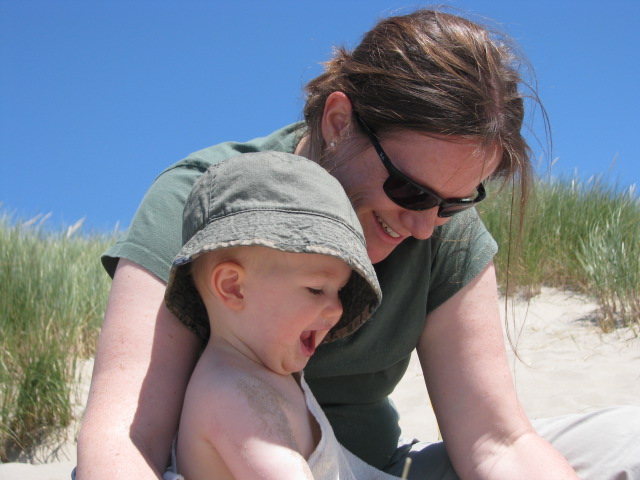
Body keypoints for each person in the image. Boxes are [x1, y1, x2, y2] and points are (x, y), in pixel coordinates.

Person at [76, 7, 640, 480]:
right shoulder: (208, 201)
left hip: (379, 468)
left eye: (456, 202)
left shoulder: (441, 229)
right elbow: (126, 439)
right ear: (340, 120)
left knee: (626, 440)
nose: (424, 227)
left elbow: (495, 440)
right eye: (410, 190)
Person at [160, 152, 403, 480]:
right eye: (317, 290)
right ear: (233, 288)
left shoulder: (258, 374)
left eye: (339, 291)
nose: (337, 309)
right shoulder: (232, 392)